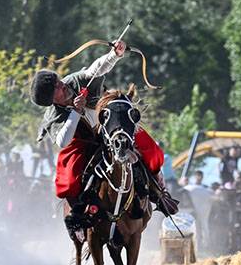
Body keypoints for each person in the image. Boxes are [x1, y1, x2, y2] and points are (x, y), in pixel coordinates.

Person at [31, 40, 173, 238]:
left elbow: (95, 70)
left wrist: (114, 55)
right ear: (51, 100)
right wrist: (76, 112)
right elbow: (63, 141)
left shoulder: (75, 80)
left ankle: (160, 191)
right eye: (56, 87)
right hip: (84, 141)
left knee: (151, 148)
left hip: (111, 125)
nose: (61, 84)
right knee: (68, 176)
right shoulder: (53, 115)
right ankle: (77, 219)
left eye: (58, 80)